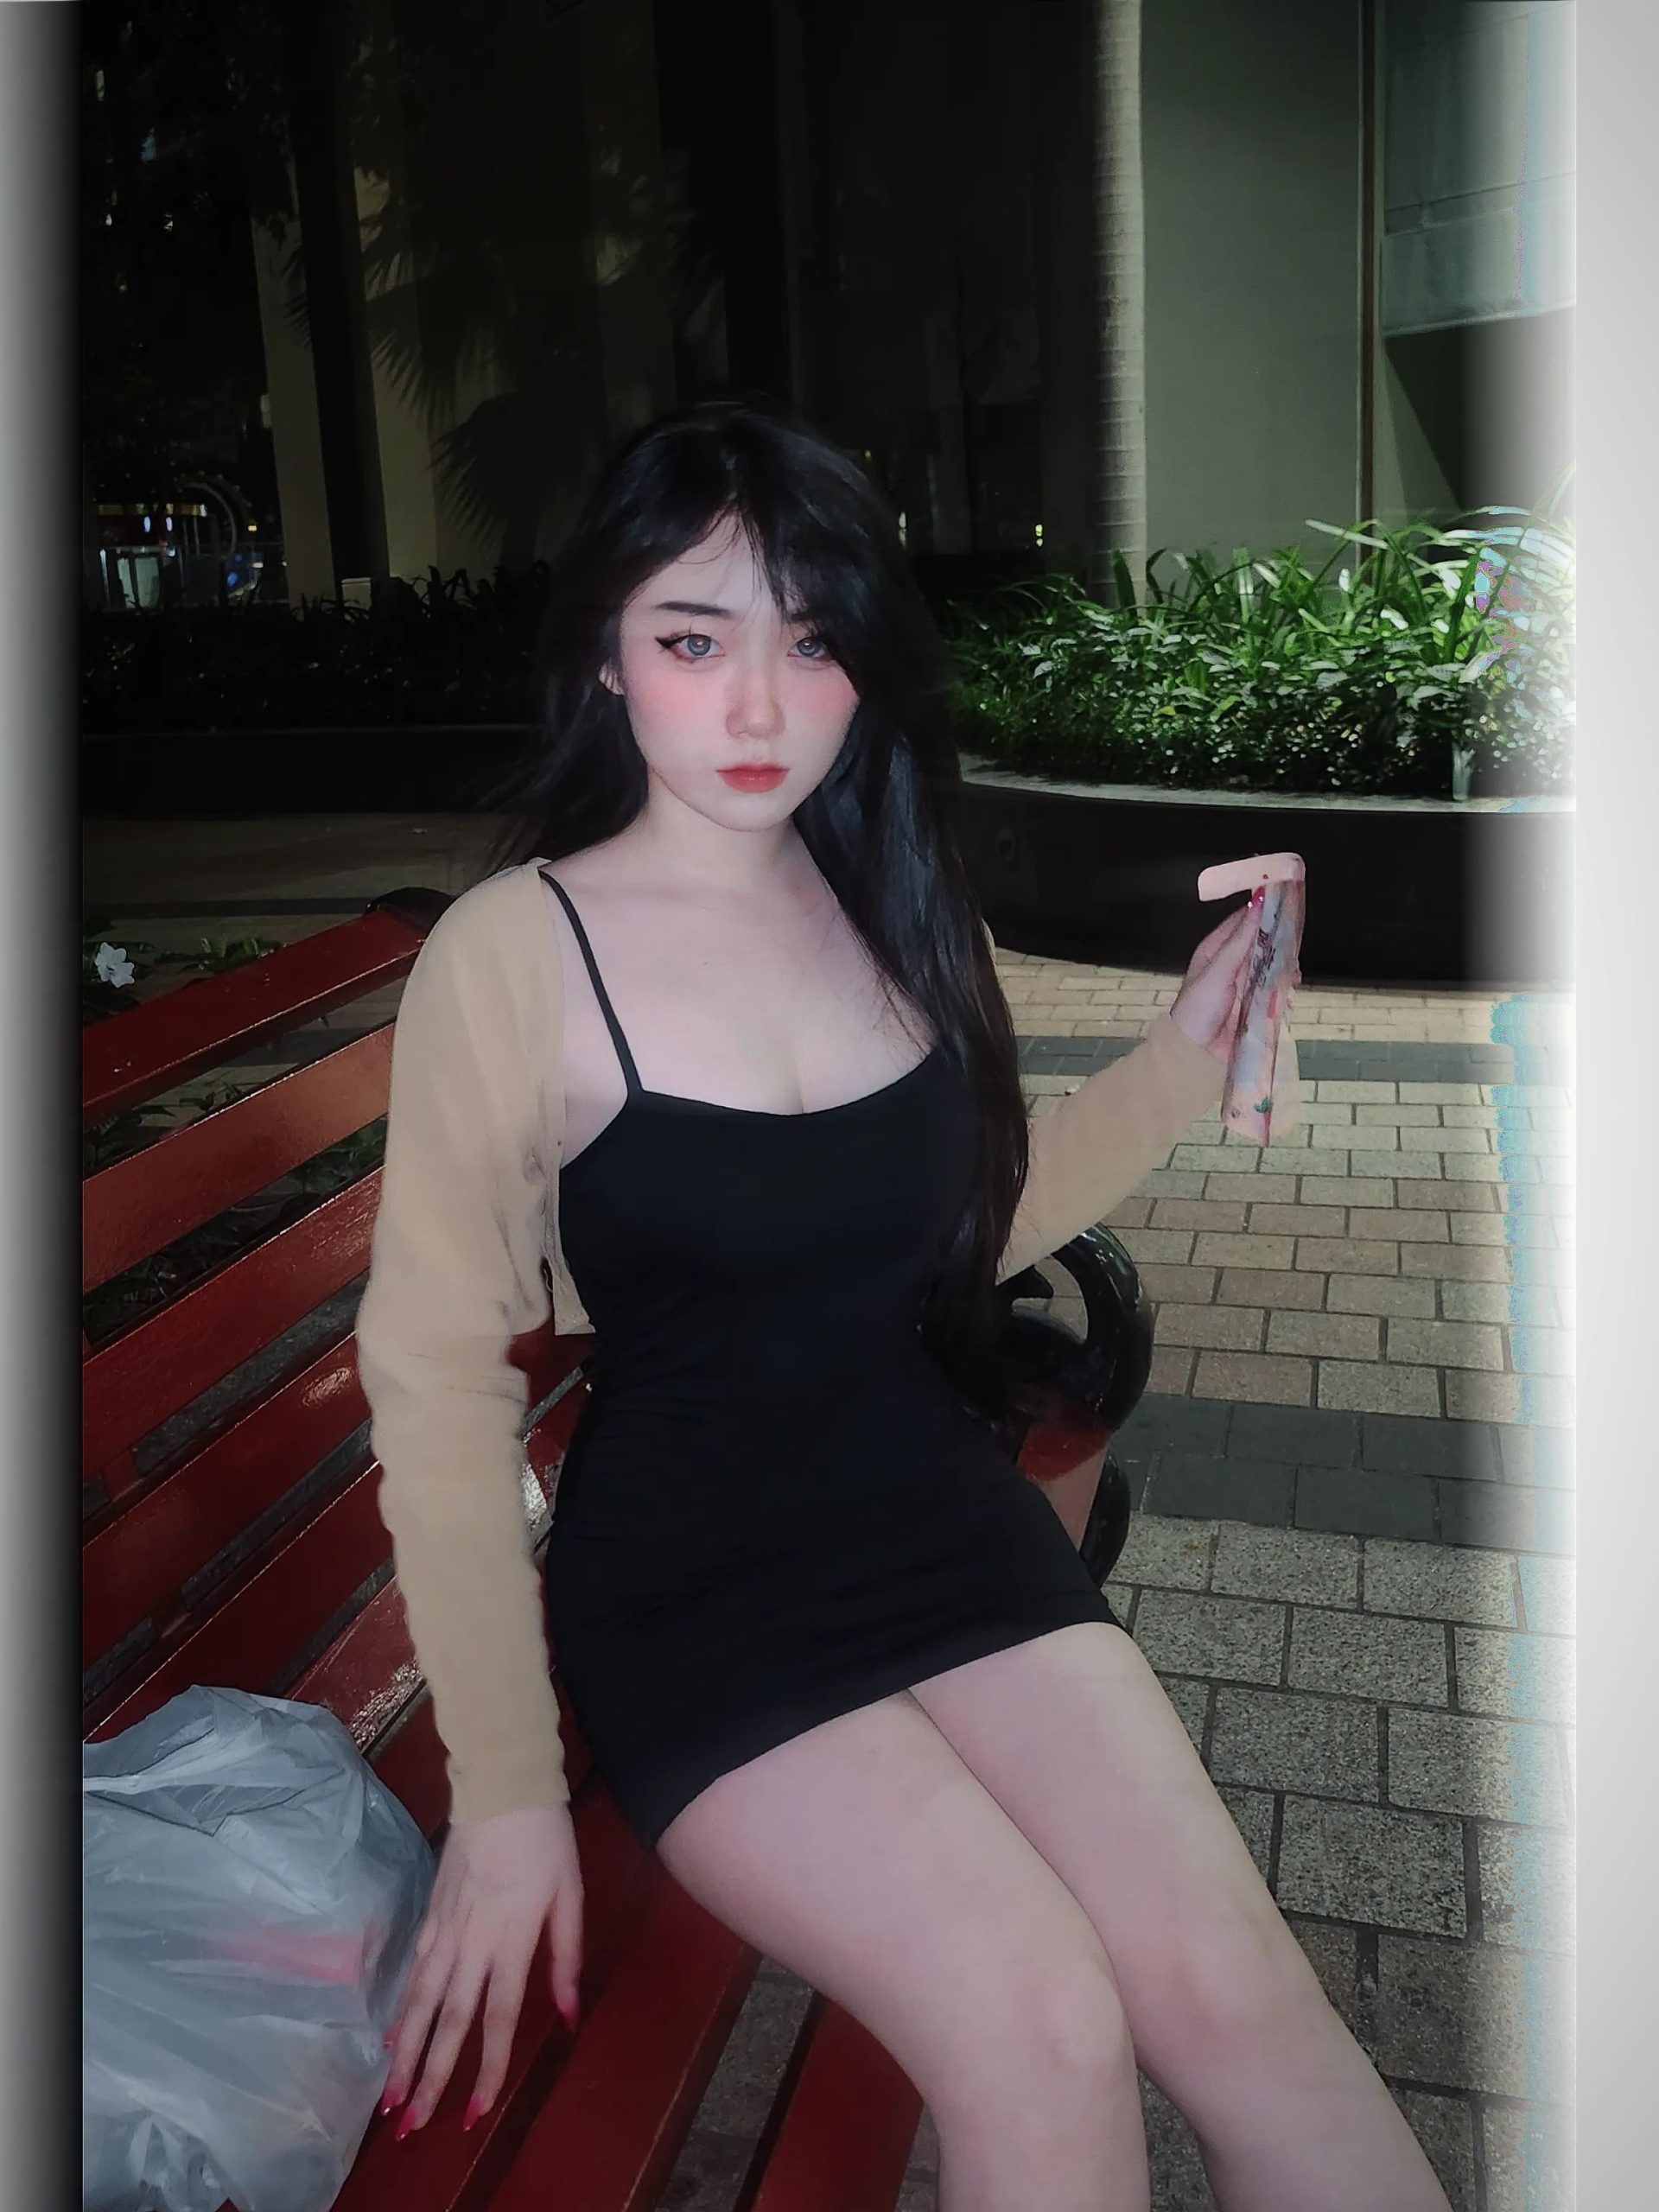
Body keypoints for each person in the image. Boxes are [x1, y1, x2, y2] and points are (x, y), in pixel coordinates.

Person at [355, 396, 1450, 2211]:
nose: (759, 706)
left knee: (1241, 1990)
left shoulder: (887, 893)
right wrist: (510, 1792)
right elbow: (437, 1380)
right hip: (704, 1597)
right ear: (608, 657)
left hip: (941, 1526)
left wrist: (1185, 1051)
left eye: (812, 641)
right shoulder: (517, 954)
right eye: (693, 640)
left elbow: (950, 1230)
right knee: (1041, 2022)